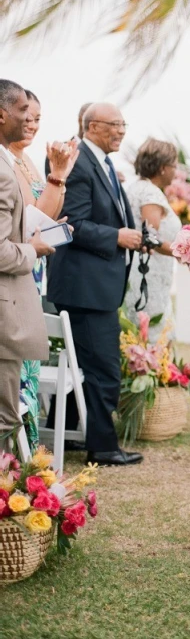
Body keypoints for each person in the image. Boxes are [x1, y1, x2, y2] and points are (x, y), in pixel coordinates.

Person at [47, 102, 144, 466]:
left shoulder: (101, 161)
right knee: (103, 366)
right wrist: (116, 235)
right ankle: (103, 446)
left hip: (94, 284)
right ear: (92, 127)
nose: (121, 130)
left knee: (81, 360)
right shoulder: (77, 161)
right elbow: (71, 222)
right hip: (83, 286)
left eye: (123, 124)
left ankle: (68, 430)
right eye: (114, 124)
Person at [8, 90, 78, 449]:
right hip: (17, 267)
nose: (32, 123)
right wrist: (57, 176)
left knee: (28, 368)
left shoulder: (26, 160)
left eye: (38, 117)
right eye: (26, 115)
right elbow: (25, 223)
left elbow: (43, 214)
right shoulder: (8, 164)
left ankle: (26, 451)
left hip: (32, 268)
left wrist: (57, 177)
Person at [0, 79, 53, 449]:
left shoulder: (16, 163)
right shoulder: (4, 173)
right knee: (4, 419)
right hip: (5, 315)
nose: (29, 120)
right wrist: (33, 249)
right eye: (23, 111)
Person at [124, 139, 181, 340]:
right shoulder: (150, 193)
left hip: (140, 270)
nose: (176, 170)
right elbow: (151, 238)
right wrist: (183, 252)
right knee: (154, 334)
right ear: (163, 168)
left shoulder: (137, 186)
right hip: (148, 275)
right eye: (175, 165)